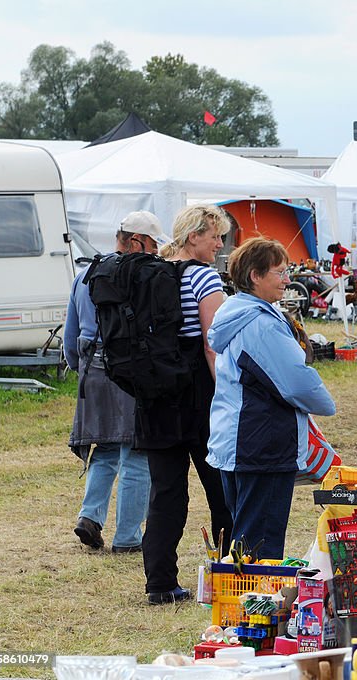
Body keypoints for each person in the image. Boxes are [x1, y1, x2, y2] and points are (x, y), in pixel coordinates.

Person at [207, 238, 336, 559]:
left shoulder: (234, 314)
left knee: (245, 537)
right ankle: (251, 605)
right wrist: (327, 404)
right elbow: (295, 382)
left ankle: (239, 600)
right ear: (255, 276)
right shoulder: (261, 324)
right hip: (260, 445)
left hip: (236, 441)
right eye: (279, 273)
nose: (287, 280)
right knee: (258, 546)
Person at [139, 205, 234, 605]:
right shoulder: (202, 275)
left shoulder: (150, 271)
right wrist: (227, 395)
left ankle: (160, 583)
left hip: (154, 394)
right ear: (193, 236)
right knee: (222, 488)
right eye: (215, 235)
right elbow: (213, 344)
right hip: (197, 393)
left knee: (165, 492)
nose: (219, 243)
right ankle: (232, 574)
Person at [65, 212, 167, 553]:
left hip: (91, 371)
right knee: (136, 453)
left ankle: (90, 516)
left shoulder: (85, 275)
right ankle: (128, 537)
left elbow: (70, 338)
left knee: (104, 447)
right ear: (137, 241)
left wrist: (82, 371)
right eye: (153, 244)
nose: (155, 252)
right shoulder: (145, 276)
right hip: (129, 373)